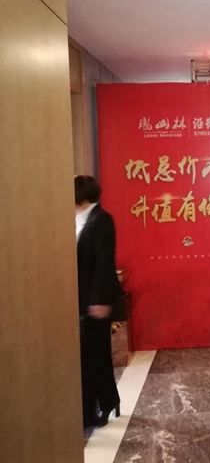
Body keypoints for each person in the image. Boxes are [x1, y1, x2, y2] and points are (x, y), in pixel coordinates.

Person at [75, 175, 121, 429]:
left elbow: (105, 263)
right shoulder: (77, 220)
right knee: (92, 356)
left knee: (94, 356)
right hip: (80, 300)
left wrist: (100, 300)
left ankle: (98, 407)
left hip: (95, 302)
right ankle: (107, 401)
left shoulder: (101, 219)